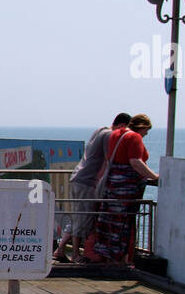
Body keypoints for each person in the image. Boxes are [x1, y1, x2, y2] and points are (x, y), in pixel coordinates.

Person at [54, 112, 131, 262]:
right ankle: (76, 254)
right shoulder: (109, 135)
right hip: (87, 181)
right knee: (84, 218)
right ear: (122, 126)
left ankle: (60, 249)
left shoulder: (100, 130)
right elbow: (109, 160)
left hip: (78, 177)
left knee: (77, 216)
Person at [86, 113, 158, 265]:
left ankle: (108, 258)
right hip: (126, 188)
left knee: (109, 222)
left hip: (112, 185)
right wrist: (155, 177)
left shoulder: (115, 135)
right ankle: (121, 260)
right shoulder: (134, 137)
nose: (146, 134)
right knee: (123, 224)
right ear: (142, 126)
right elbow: (135, 162)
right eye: (147, 130)